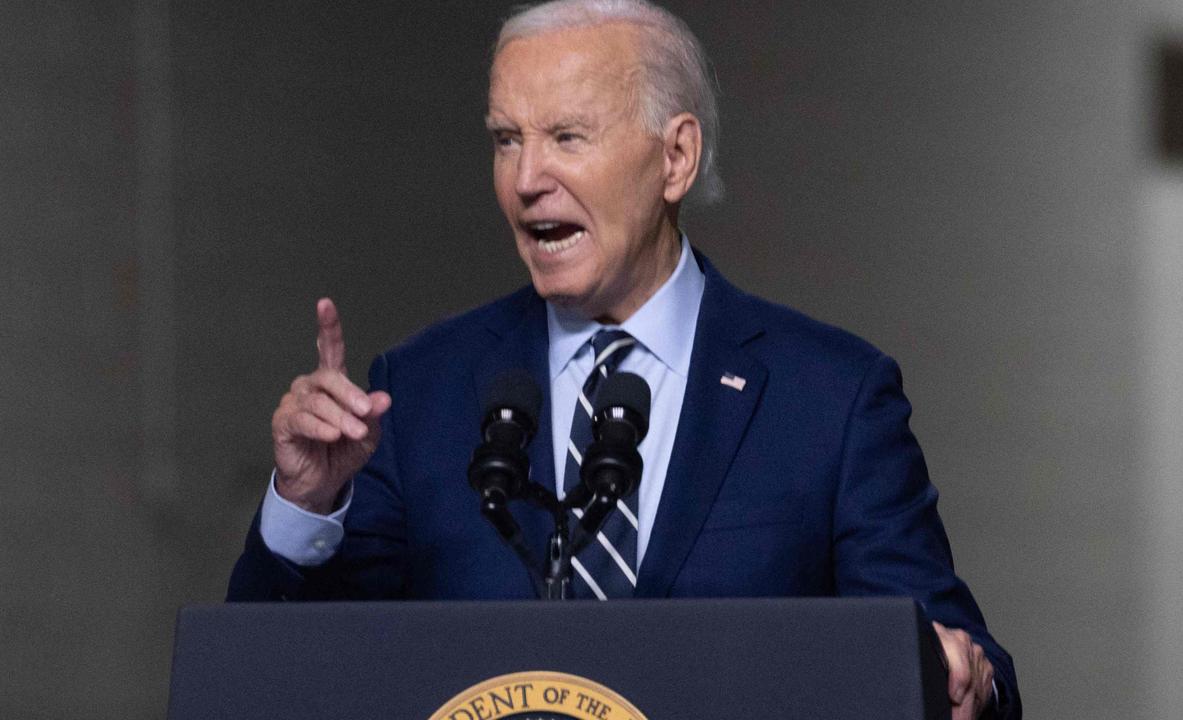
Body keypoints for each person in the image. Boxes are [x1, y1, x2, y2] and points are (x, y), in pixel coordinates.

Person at [228, 2, 1020, 718]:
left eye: (567, 137)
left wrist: (958, 679)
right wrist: (305, 507)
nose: (528, 180)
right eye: (507, 140)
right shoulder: (422, 391)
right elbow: (275, 686)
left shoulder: (830, 398)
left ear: (675, 157)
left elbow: (965, 671)